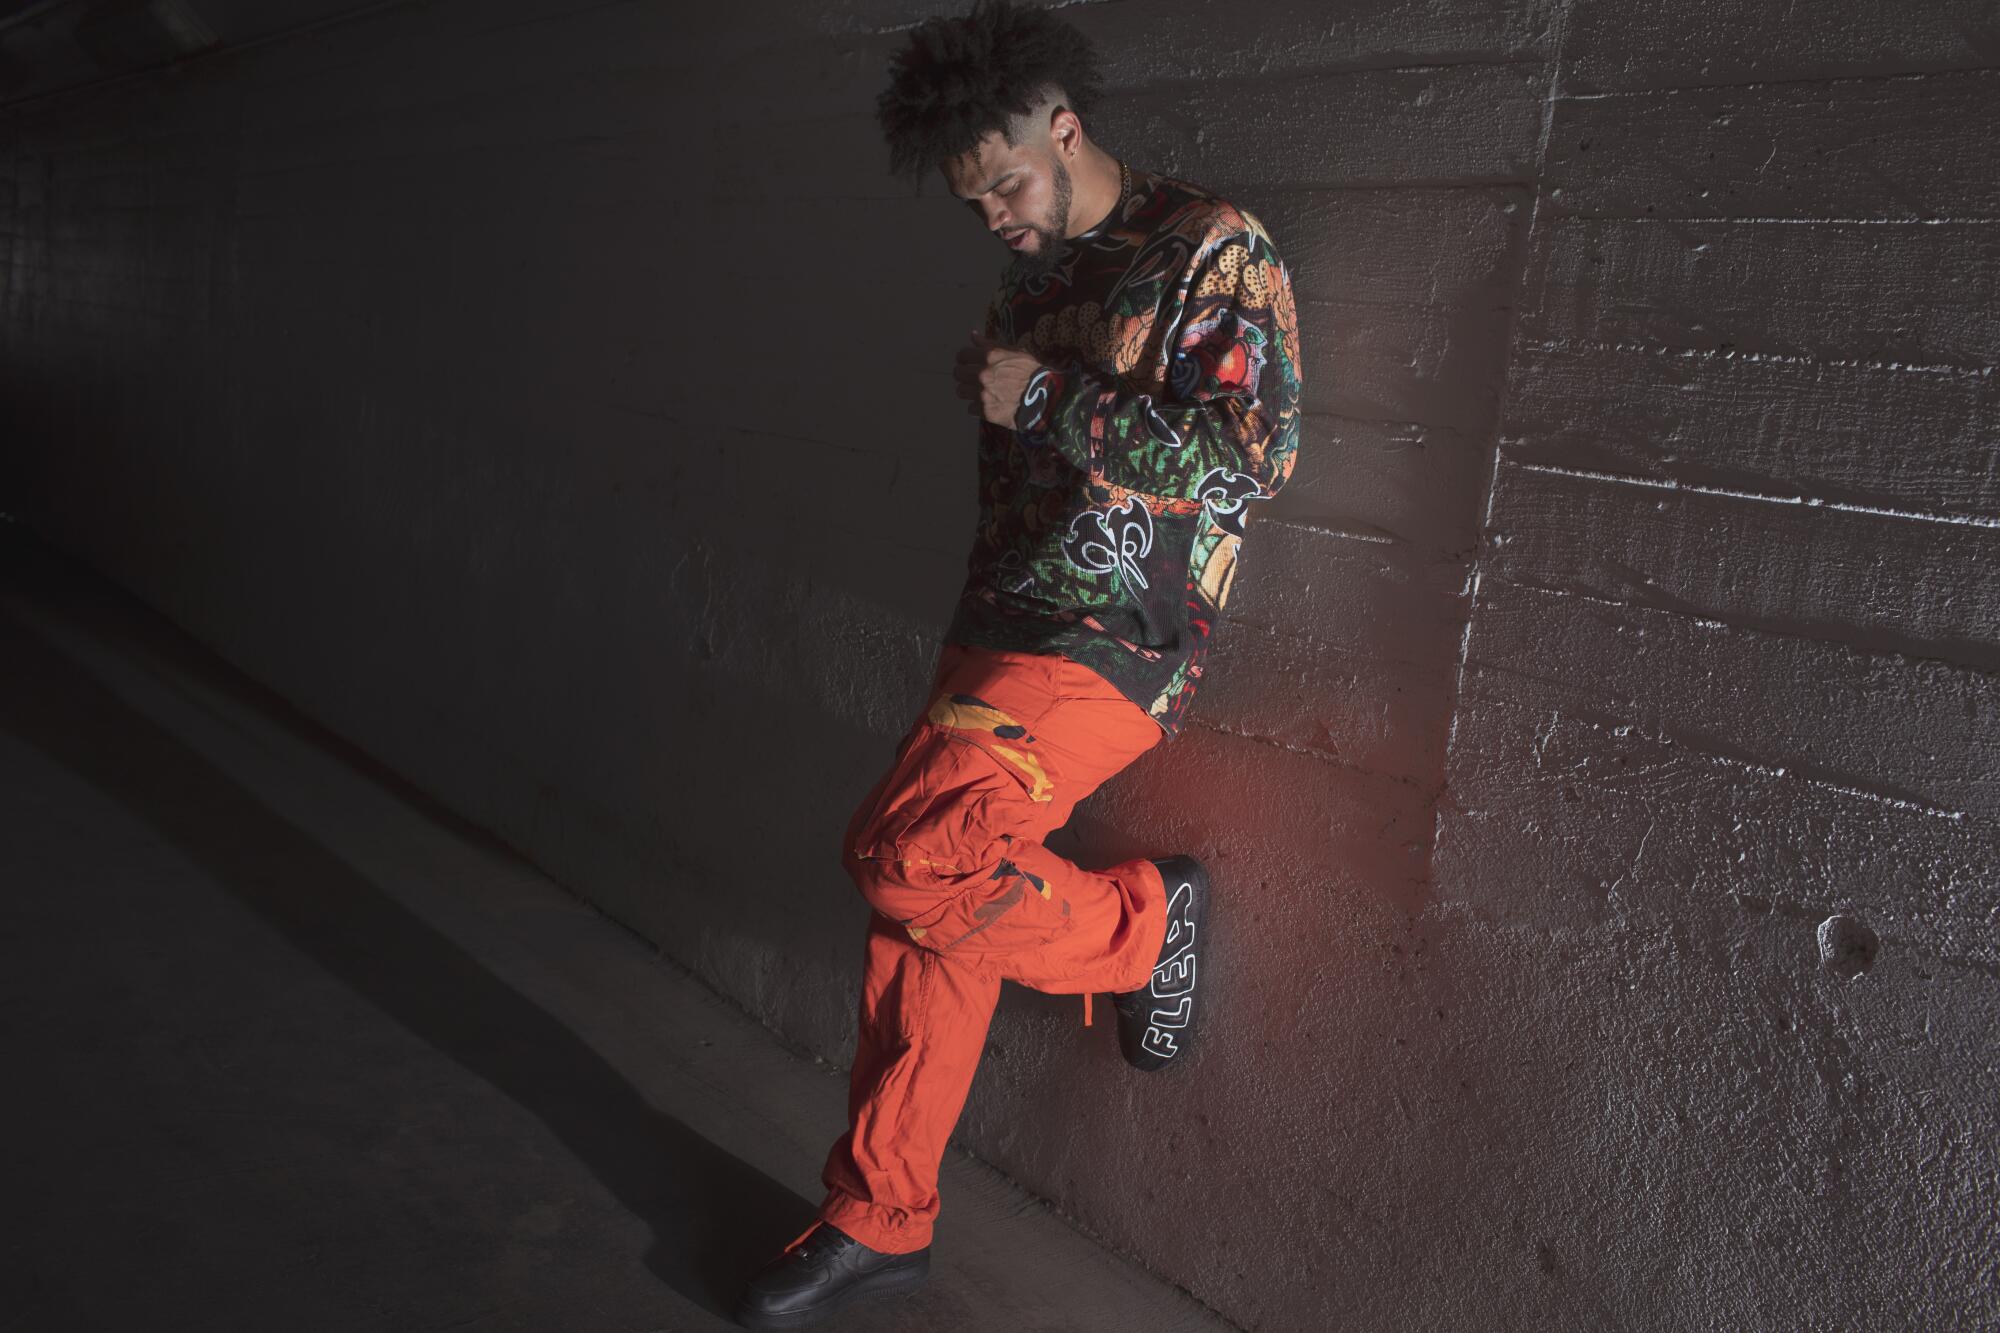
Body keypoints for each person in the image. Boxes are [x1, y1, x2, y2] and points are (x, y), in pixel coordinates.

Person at [735, 0, 1303, 1324]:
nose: (995, 212)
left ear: (1064, 128)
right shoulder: (1032, 282)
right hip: (1002, 631)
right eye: (972, 198)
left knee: (911, 855)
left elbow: (1252, 458)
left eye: (1005, 182)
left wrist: (1046, 400)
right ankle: (884, 1210)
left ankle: (1140, 928)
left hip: (1119, 640)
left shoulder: (1209, 249)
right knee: (922, 913)